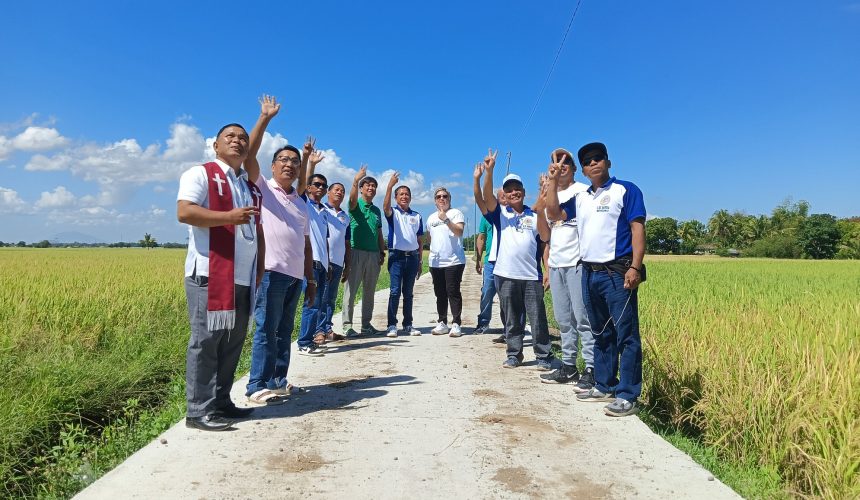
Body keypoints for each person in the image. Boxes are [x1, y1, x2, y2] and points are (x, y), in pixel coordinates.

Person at [545, 142, 646, 417]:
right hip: (589, 273)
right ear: (585, 169)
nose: (593, 164)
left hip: (618, 272)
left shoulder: (625, 190)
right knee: (601, 332)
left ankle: (627, 395)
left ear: (608, 162)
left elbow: (637, 230)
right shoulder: (581, 198)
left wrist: (635, 267)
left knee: (627, 336)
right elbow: (554, 214)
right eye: (588, 161)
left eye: (598, 158)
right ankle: (604, 384)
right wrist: (552, 183)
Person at [177, 121, 263, 431]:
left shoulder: (246, 184)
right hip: (210, 274)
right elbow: (185, 212)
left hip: (242, 275)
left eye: (243, 138)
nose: (238, 141)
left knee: (233, 341)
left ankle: (221, 401)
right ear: (216, 145)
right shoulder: (201, 174)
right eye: (230, 137)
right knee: (206, 341)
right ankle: (198, 410)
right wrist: (228, 217)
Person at [242, 95, 318, 406]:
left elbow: (304, 243)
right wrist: (265, 118)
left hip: (294, 276)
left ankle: (277, 378)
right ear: (273, 167)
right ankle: (256, 384)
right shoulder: (262, 187)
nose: (289, 165)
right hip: (270, 272)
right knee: (266, 329)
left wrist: (310, 279)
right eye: (283, 161)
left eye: (294, 162)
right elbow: (248, 155)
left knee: (284, 330)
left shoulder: (301, 202)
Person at [474, 150, 555, 370]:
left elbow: (544, 242)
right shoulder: (500, 214)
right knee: (511, 318)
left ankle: (543, 356)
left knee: (537, 318)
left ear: (523, 192)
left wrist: (546, 270)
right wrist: (488, 172)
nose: (513, 193)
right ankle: (514, 354)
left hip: (531, 276)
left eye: (517, 189)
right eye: (509, 190)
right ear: (505, 194)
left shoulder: (535, 214)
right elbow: (487, 197)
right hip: (505, 275)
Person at [539, 148, 596, 392]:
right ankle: (569, 364)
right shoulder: (550, 194)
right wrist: (548, 267)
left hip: (578, 262)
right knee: (564, 319)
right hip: (558, 263)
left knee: (583, 319)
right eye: (554, 161)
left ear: (573, 168)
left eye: (565, 162)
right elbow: (545, 233)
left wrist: (550, 188)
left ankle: (592, 368)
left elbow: (559, 214)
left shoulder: (583, 191)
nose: (560, 165)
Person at [342, 165, 387, 336]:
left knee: (369, 292)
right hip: (356, 252)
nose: (371, 188)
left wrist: (381, 252)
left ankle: (366, 324)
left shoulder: (376, 211)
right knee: (350, 291)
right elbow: (352, 199)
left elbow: (379, 232)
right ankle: (347, 325)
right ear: (361, 189)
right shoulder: (355, 205)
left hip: (373, 254)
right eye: (367, 185)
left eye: (373, 186)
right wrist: (355, 180)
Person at [297, 141, 332, 354]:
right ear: (309, 188)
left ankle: (309, 339)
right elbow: (303, 182)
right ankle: (303, 342)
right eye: (316, 184)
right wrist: (310, 163)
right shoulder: (304, 203)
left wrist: (328, 265)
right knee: (310, 304)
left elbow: (325, 240)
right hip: (309, 263)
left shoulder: (324, 211)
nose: (319, 188)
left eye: (323, 186)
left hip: (322, 264)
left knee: (317, 304)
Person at [382, 172, 424, 337]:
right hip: (396, 257)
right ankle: (392, 324)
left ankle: (408, 324)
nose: (404, 196)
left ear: (410, 198)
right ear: (396, 197)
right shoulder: (393, 213)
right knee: (394, 291)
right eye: (401, 194)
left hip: (412, 258)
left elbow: (420, 240)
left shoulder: (417, 216)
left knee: (408, 292)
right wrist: (390, 185)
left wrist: (420, 261)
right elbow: (385, 207)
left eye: (407, 194)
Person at [426, 187, 466, 337]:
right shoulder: (430, 218)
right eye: (438, 197)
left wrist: (446, 220)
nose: (441, 198)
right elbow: (429, 238)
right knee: (440, 293)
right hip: (436, 263)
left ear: (449, 198)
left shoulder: (456, 213)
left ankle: (456, 323)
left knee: (453, 292)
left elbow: (459, 231)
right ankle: (442, 322)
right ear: (435, 200)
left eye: (445, 196)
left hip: (454, 261)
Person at [318, 182, 351, 342]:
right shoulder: (321, 209)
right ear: (328, 192)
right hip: (323, 261)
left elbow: (346, 242)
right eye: (337, 189)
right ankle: (318, 331)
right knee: (321, 297)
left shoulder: (345, 217)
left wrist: (347, 265)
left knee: (331, 298)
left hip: (338, 262)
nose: (340, 192)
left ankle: (327, 328)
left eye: (342, 191)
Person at [474, 188, 507, 343]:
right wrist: (479, 258)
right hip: (490, 262)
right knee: (487, 292)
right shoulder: (486, 217)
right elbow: (481, 238)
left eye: (504, 196)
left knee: (505, 296)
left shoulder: (510, 215)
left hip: (506, 262)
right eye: (500, 196)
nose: (503, 198)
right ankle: (483, 322)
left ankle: (508, 327)